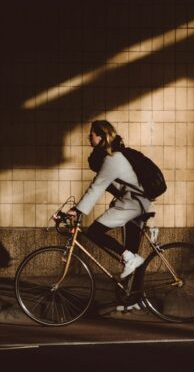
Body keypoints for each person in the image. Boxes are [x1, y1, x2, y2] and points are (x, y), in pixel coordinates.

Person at [67, 120, 150, 279]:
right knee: (132, 255)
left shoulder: (113, 158)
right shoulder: (112, 156)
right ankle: (132, 298)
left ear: (100, 137)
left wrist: (77, 210)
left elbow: (97, 186)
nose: (88, 137)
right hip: (137, 203)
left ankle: (130, 261)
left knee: (94, 232)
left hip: (133, 204)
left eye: (91, 134)